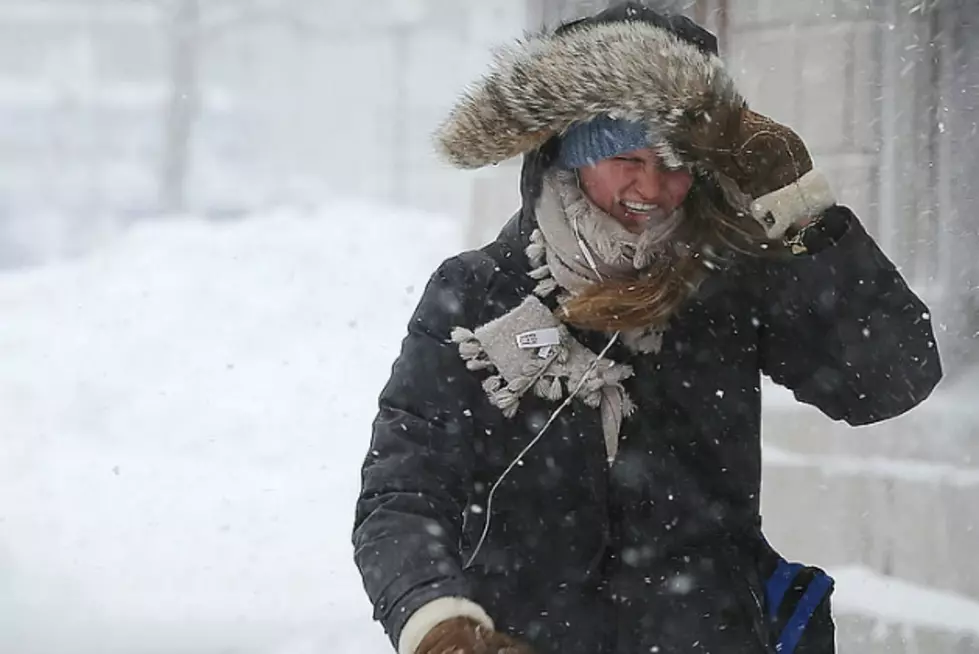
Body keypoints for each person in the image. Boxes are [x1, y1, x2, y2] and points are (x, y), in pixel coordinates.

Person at [352, 3, 943, 654]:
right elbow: (403, 492)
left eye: (673, 163)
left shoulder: (727, 282)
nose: (651, 187)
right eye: (624, 158)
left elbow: (889, 380)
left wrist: (799, 206)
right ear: (568, 154)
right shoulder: (477, 293)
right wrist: (437, 622)